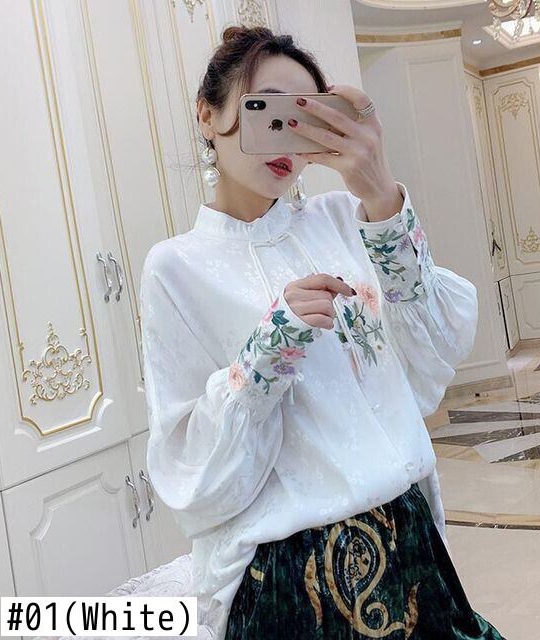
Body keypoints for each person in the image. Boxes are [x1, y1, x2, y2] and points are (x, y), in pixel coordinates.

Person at [139, 24, 506, 640]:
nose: (285, 134)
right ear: (208, 115)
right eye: (264, 109)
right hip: (288, 576)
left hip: (410, 536)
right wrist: (269, 349)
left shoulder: (345, 218)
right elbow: (193, 474)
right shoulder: (175, 268)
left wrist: (379, 190)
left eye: (303, 115)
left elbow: (433, 352)